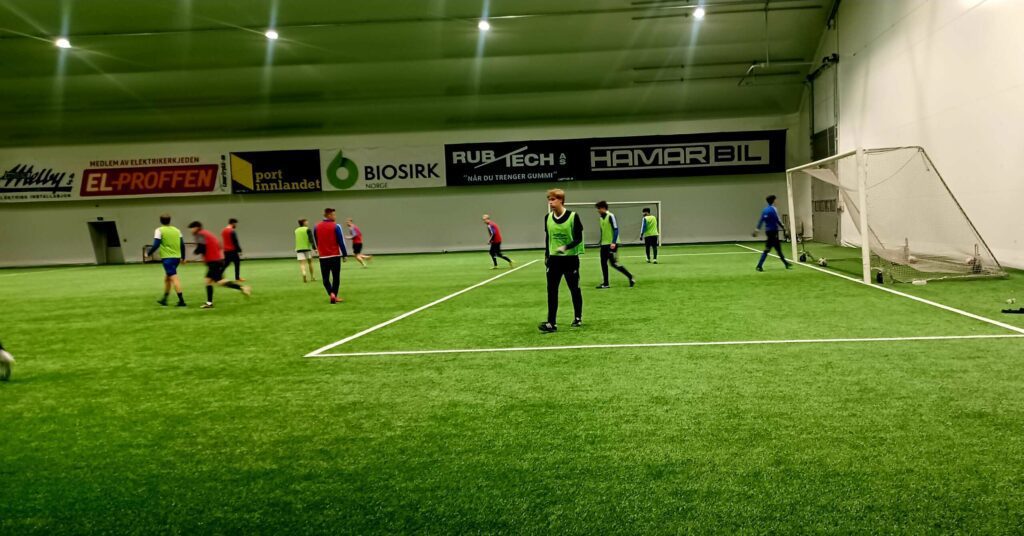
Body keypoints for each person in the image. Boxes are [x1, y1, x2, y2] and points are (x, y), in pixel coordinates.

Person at [539, 188, 584, 333]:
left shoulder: (573, 216)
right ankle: (552, 322)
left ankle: (577, 317)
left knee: (574, 289)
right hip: (554, 261)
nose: (550, 202)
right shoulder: (547, 218)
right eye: (549, 199)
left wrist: (566, 247)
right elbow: (548, 238)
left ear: (561, 200)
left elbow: (579, 238)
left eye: (553, 199)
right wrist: (547, 254)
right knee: (551, 291)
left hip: (570, 260)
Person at [188, 221, 252, 308]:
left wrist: (195, 252)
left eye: (192, 228)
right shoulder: (207, 233)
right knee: (209, 281)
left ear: (196, 228)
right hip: (217, 260)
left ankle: (243, 288)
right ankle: (209, 303)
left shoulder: (199, 234)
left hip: (213, 262)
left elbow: (202, 248)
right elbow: (219, 245)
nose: (191, 231)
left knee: (219, 281)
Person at [147, 213, 186, 307]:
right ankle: (164, 299)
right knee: (167, 278)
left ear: (160, 221)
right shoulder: (177, 230)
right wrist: (183, 257)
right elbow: (182, 245)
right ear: (170, 220)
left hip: (167, 258)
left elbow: (156, 244)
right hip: (176, 257)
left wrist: (148, 253)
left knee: (174, 278)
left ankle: (182, 301)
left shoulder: (159, 230)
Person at [595, 201, 635, 289]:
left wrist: (613, 242)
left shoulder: (611, 216)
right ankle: (606, 283)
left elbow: (616, 229)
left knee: (614, 264)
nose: (598, 210)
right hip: (604, 245)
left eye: (599, 208)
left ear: (603, 208)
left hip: (611, 244)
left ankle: (630, 277)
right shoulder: (601, 218)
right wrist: (600, 242)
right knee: (603, 263)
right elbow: (603, 231)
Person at [314, 208, 349, 304]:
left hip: (323, 257)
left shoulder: (316, 227)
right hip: (335, 256)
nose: (335, 216)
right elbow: (341, 241)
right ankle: (334, 294)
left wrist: (320, 250)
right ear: (329, 215)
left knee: (325, 279)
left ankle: (331, 294)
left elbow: (316, 241)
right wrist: (345, 254)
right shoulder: (336, 226)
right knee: (336, 277)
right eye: (334, 215)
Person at [753, 194, 792, 271]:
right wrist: (784, 228)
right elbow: (777, 220)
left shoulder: (765, 210)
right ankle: (759, 265)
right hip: (773, 232)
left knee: (776, 248)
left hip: (768, 231)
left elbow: (761, 220)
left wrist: (757, 230)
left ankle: (786, 263)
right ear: (773, 200)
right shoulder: (774, 209)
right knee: (770, 249)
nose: (777, 201)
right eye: (776, 199)